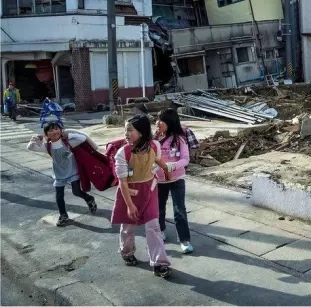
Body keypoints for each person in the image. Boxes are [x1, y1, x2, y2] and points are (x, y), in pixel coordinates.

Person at [111, 115, 172, 278]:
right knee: (128, 228)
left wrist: (167, 171)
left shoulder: (155, 145)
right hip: (129, 194)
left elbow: (158, 160)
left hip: (150, 191)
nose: (126, 133)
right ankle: (127, 252)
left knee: (153, 227)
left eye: (130, 130)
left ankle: (159, 263)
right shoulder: (122, 153)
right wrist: (130, 206)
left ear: (142, 131)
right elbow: (122, 182)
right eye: (125, 130)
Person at [27, 121, 98, 227]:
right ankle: (63, 215)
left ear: (61, 130)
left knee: (76, 191)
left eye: (56, 128)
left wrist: (69, 134)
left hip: (73, 171)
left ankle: (89, 199)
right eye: (50, 130)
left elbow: (82, 138)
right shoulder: (47, 146)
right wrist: (35, 139)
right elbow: (30, 147)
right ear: (47, 135)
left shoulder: (68, 142)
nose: (54, 131)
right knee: (59, 196)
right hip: (59, 174)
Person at [154, 108, 193, 254]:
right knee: (159, 208)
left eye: (161, 120)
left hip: (177, 179)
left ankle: (184, 239)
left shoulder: (179, 139)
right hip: (159, 180)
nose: (158, 123)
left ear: (170, 123)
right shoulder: (154, 139)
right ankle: (161, 230)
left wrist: (172, 166)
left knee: (179, 210)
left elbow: (185, 159)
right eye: (157, 119)